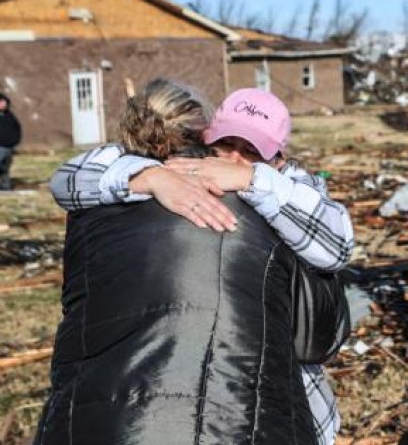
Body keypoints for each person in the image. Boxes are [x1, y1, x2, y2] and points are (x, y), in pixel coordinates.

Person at [49, 86, 354, 445]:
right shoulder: (174, 169)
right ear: (206, 137)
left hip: (283, 384)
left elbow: (338, 245)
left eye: (252, 151)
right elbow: (65, 179)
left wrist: (251, 181)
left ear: (278, 159)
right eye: (227, 145)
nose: (236, 158)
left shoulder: (290, 186)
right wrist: (149, 177)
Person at [0, 93, 21, 190]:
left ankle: (5, 188)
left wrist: (15, 140)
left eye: (5, 102)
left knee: (5, 168)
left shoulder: (10, 115)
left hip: (8, 146)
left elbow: (17, 128)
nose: (4, 104)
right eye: (1, 102)